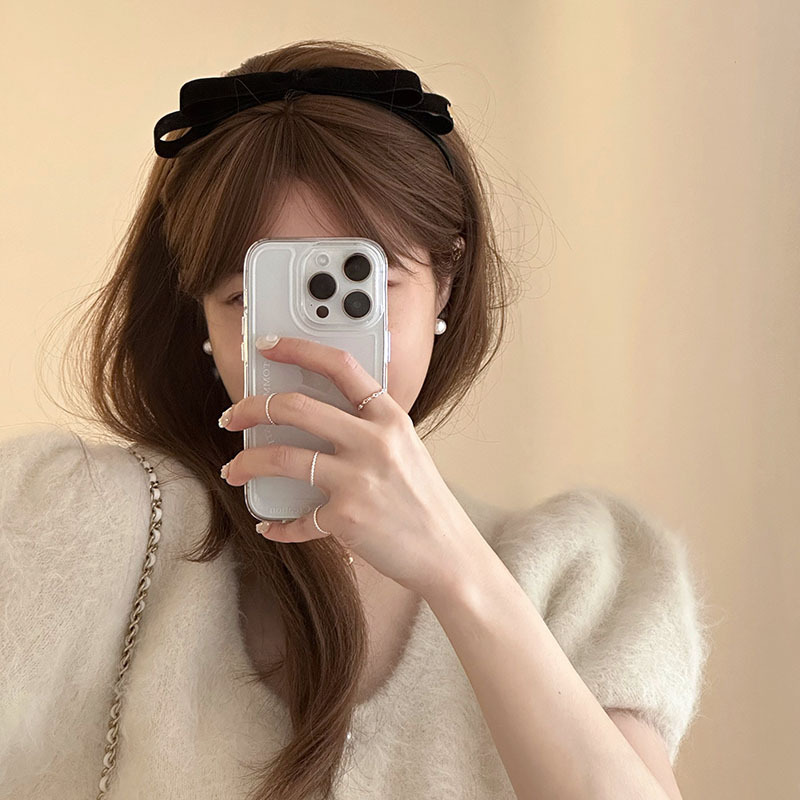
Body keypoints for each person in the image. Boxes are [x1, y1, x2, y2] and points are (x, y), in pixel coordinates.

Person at [0, 39, 711, 800]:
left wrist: (460, 573)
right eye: (248, 297)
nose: (309, 349)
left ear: (445, 286)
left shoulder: (583, 573)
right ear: (199, 321)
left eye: (359, 289)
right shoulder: (72, 516)